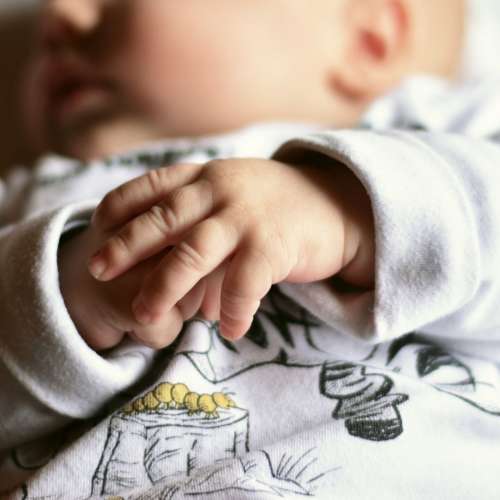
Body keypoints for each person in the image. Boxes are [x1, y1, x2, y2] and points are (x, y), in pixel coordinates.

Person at [2, 0, 500, 497]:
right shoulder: (25, 201)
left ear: (370, 38)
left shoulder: (436, 129)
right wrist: (70, 284)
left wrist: (343, 206)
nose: (62, 14)